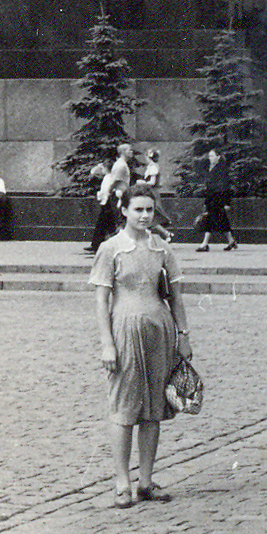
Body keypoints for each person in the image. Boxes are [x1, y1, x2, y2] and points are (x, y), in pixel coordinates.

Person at [91, 184, 193, 509]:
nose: (145, 216)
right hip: (124, 331)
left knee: (153, 410)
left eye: (150, 210)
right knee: (124, 407)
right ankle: (123, 482)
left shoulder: (161, 248)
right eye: (138, 209)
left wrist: (184, 335)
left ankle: (146, 481)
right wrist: (107, 343)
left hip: (159, 332)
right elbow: (101, 299)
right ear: (124, 211)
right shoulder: (111, 249)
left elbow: (176, 296)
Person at [88, 144, 134, 254]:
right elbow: (115, 181)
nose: (131, 151)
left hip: (117, 194)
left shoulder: (122, 164)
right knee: (115, 219)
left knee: (106, 219)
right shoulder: (121, 165)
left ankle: (97, 244)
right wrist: (109, 193)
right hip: (118, 195)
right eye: (129, 150)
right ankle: (101, 244)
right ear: (122, 151)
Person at [197, 149, 237, 251]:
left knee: (212, 220)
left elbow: (225, 187)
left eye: (212, 156)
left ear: (218, 157)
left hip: (217, 199)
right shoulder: (211, 168)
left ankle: (205, 244)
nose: (210, 158)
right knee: (222, 220)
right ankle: (231, 241)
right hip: (212, 199)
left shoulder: (221, 169)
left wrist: (226, 202)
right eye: (209, 156)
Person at [138, 149, 173, 241]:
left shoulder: (153, 167)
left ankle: (166, 234)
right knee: (151, 215)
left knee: (152, 215)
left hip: (152, 193)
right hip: (151, 192)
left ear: (147, 157)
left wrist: (142, 183)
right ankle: (163, 235)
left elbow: (152, 182)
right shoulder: (152, 167)